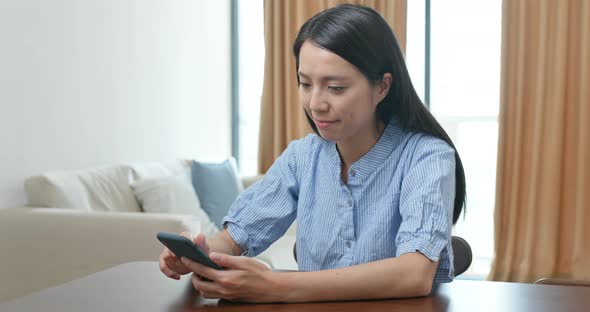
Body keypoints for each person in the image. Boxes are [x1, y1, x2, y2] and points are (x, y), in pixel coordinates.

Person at [159, 3, 466, 303]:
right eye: (305, 83)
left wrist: (275, 285)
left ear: (382, 87)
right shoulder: (303, 157)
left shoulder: (427, 156)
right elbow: (233, 239)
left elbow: (414, 274)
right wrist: (199, 253)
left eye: (335, 88)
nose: (316, 103)